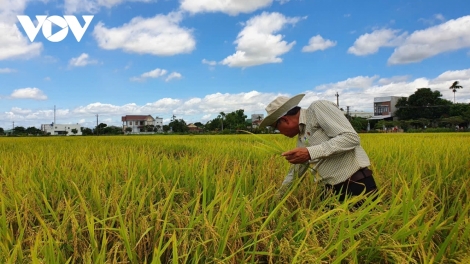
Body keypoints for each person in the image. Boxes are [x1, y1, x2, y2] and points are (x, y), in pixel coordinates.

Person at [259, 94, 378, 206]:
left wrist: (310, 152)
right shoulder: (302, 138)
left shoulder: (317, 108)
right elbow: (295, 173)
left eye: (277, 128)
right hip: (329, 194)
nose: (280, 133)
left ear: (285, 120)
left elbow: (350, 137)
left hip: (356, 187)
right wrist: (276, 199)